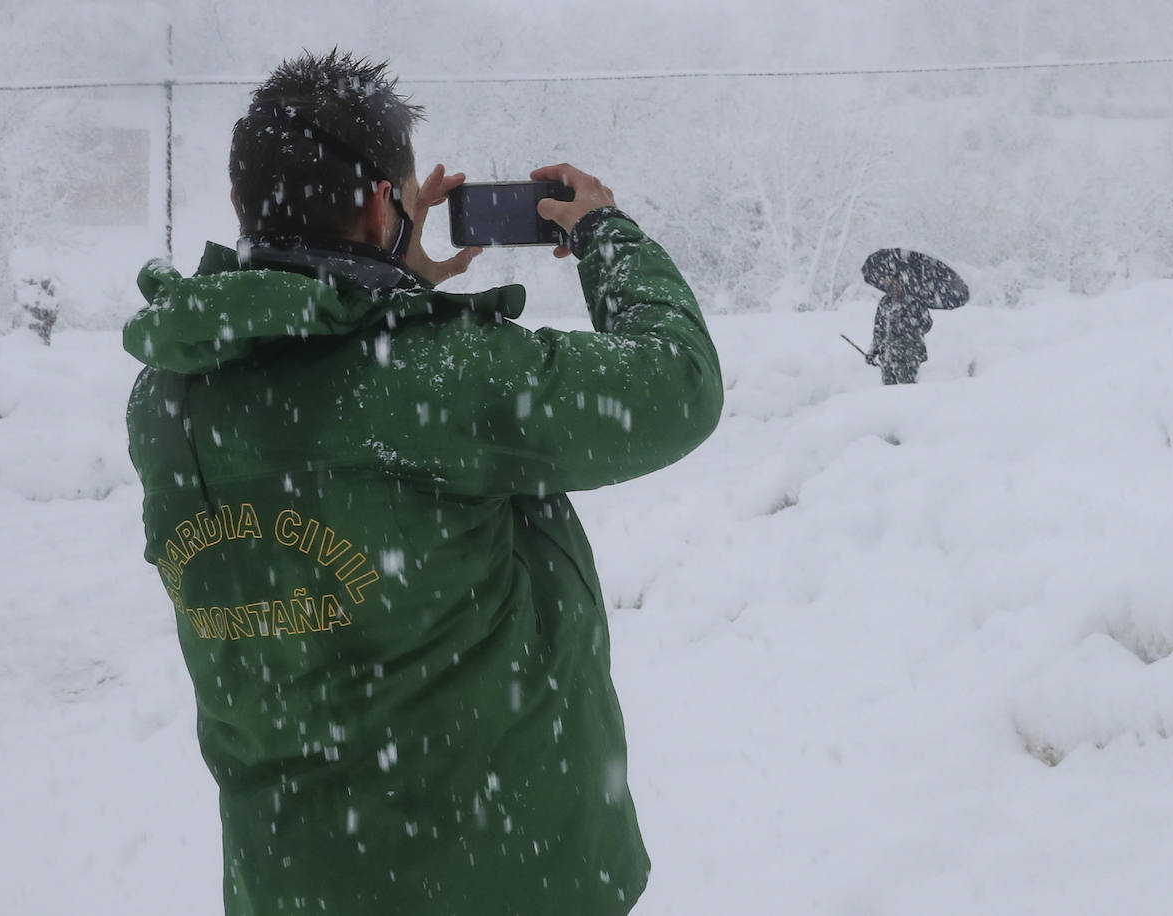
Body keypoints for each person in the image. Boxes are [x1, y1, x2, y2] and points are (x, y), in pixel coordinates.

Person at [121, 50, 723, 916]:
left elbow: (318, 406)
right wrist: (604, 231)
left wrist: (390, 290)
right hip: (497, 880)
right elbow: (677, 384)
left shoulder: (169, 391)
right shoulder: (436, 381)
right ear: (382, 205)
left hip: (291, 881)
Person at [866, 276, 933, 385]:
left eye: (896, 284)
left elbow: (927, 324)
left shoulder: (914, 302)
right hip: (887, 358)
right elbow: (878, 330)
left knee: (907, 392)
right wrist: (873, 351)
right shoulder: (884, 303)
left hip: (909, 357)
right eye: (890, 284)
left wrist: (911, 323)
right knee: (889, 394)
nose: (894, 287)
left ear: (903, 283)